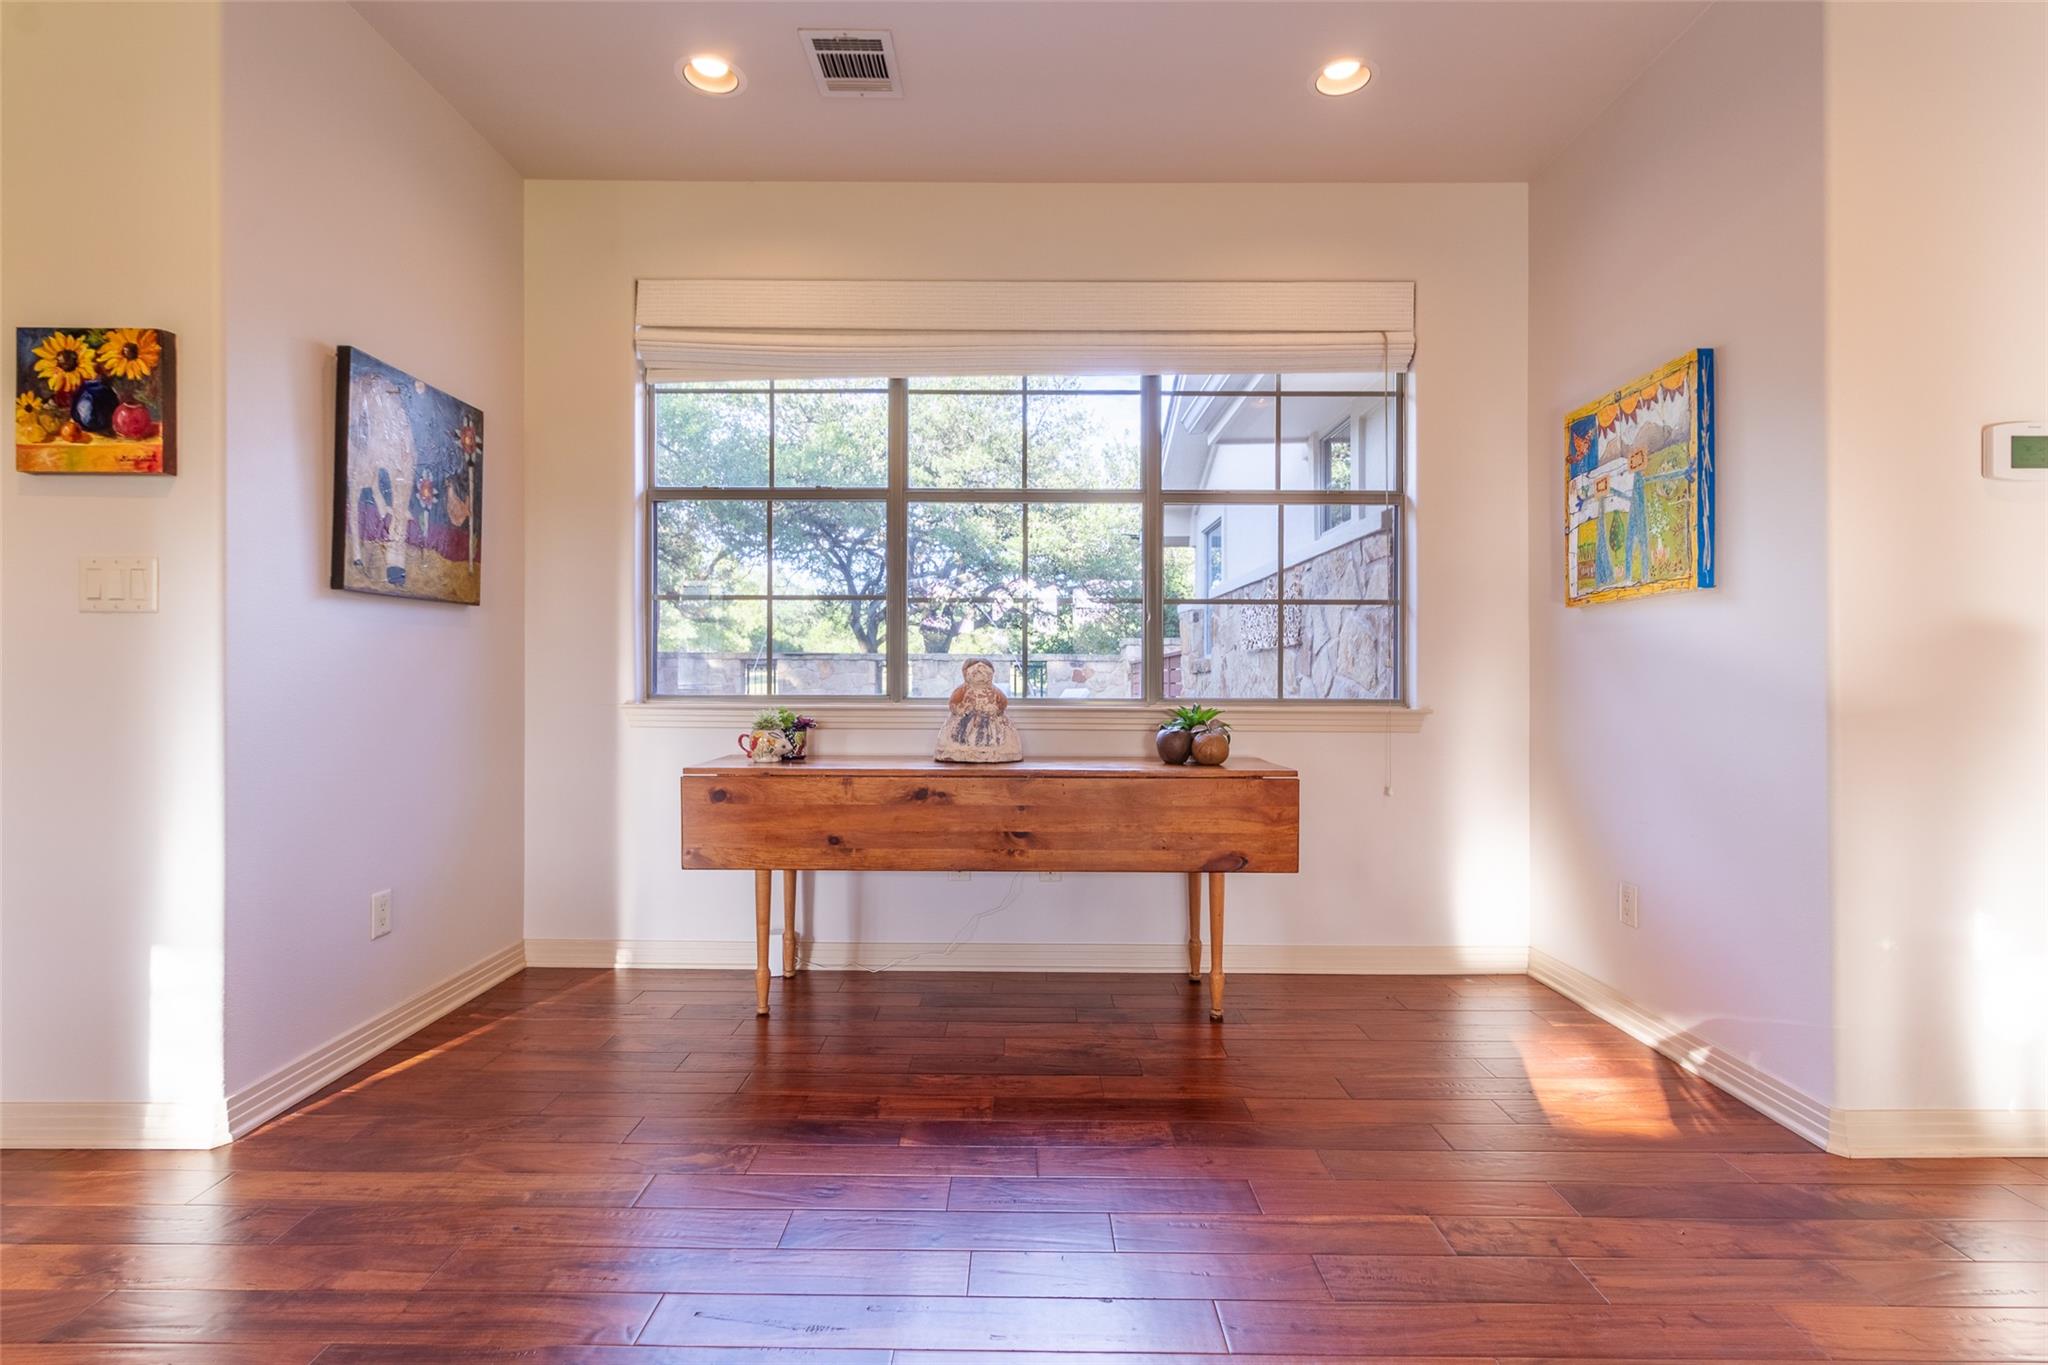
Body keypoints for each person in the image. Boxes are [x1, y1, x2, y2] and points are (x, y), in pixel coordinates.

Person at [934, 658, 1023, 763]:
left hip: (990, 719)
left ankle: (991, 750)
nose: (980, 676)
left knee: (992, 734)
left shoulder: (994, 690)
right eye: (976, 672)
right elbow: (953, 703)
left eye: (985, 672)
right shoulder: (963, 690)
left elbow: (1003, 702)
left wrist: (997, 710)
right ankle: (962, 749)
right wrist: (959, 710)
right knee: (964, 733)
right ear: (966, 674)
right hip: (967, 718)